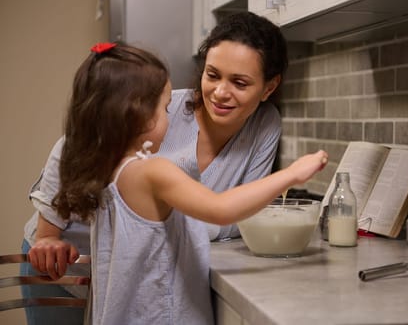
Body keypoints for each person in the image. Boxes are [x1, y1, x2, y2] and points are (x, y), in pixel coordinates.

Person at [28, 42, 327, 324]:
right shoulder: (153, 172)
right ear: (140, 115)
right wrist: (292, 174)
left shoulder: (109, 174)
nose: (171, 119)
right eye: (165, 107)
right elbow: (221, 208)